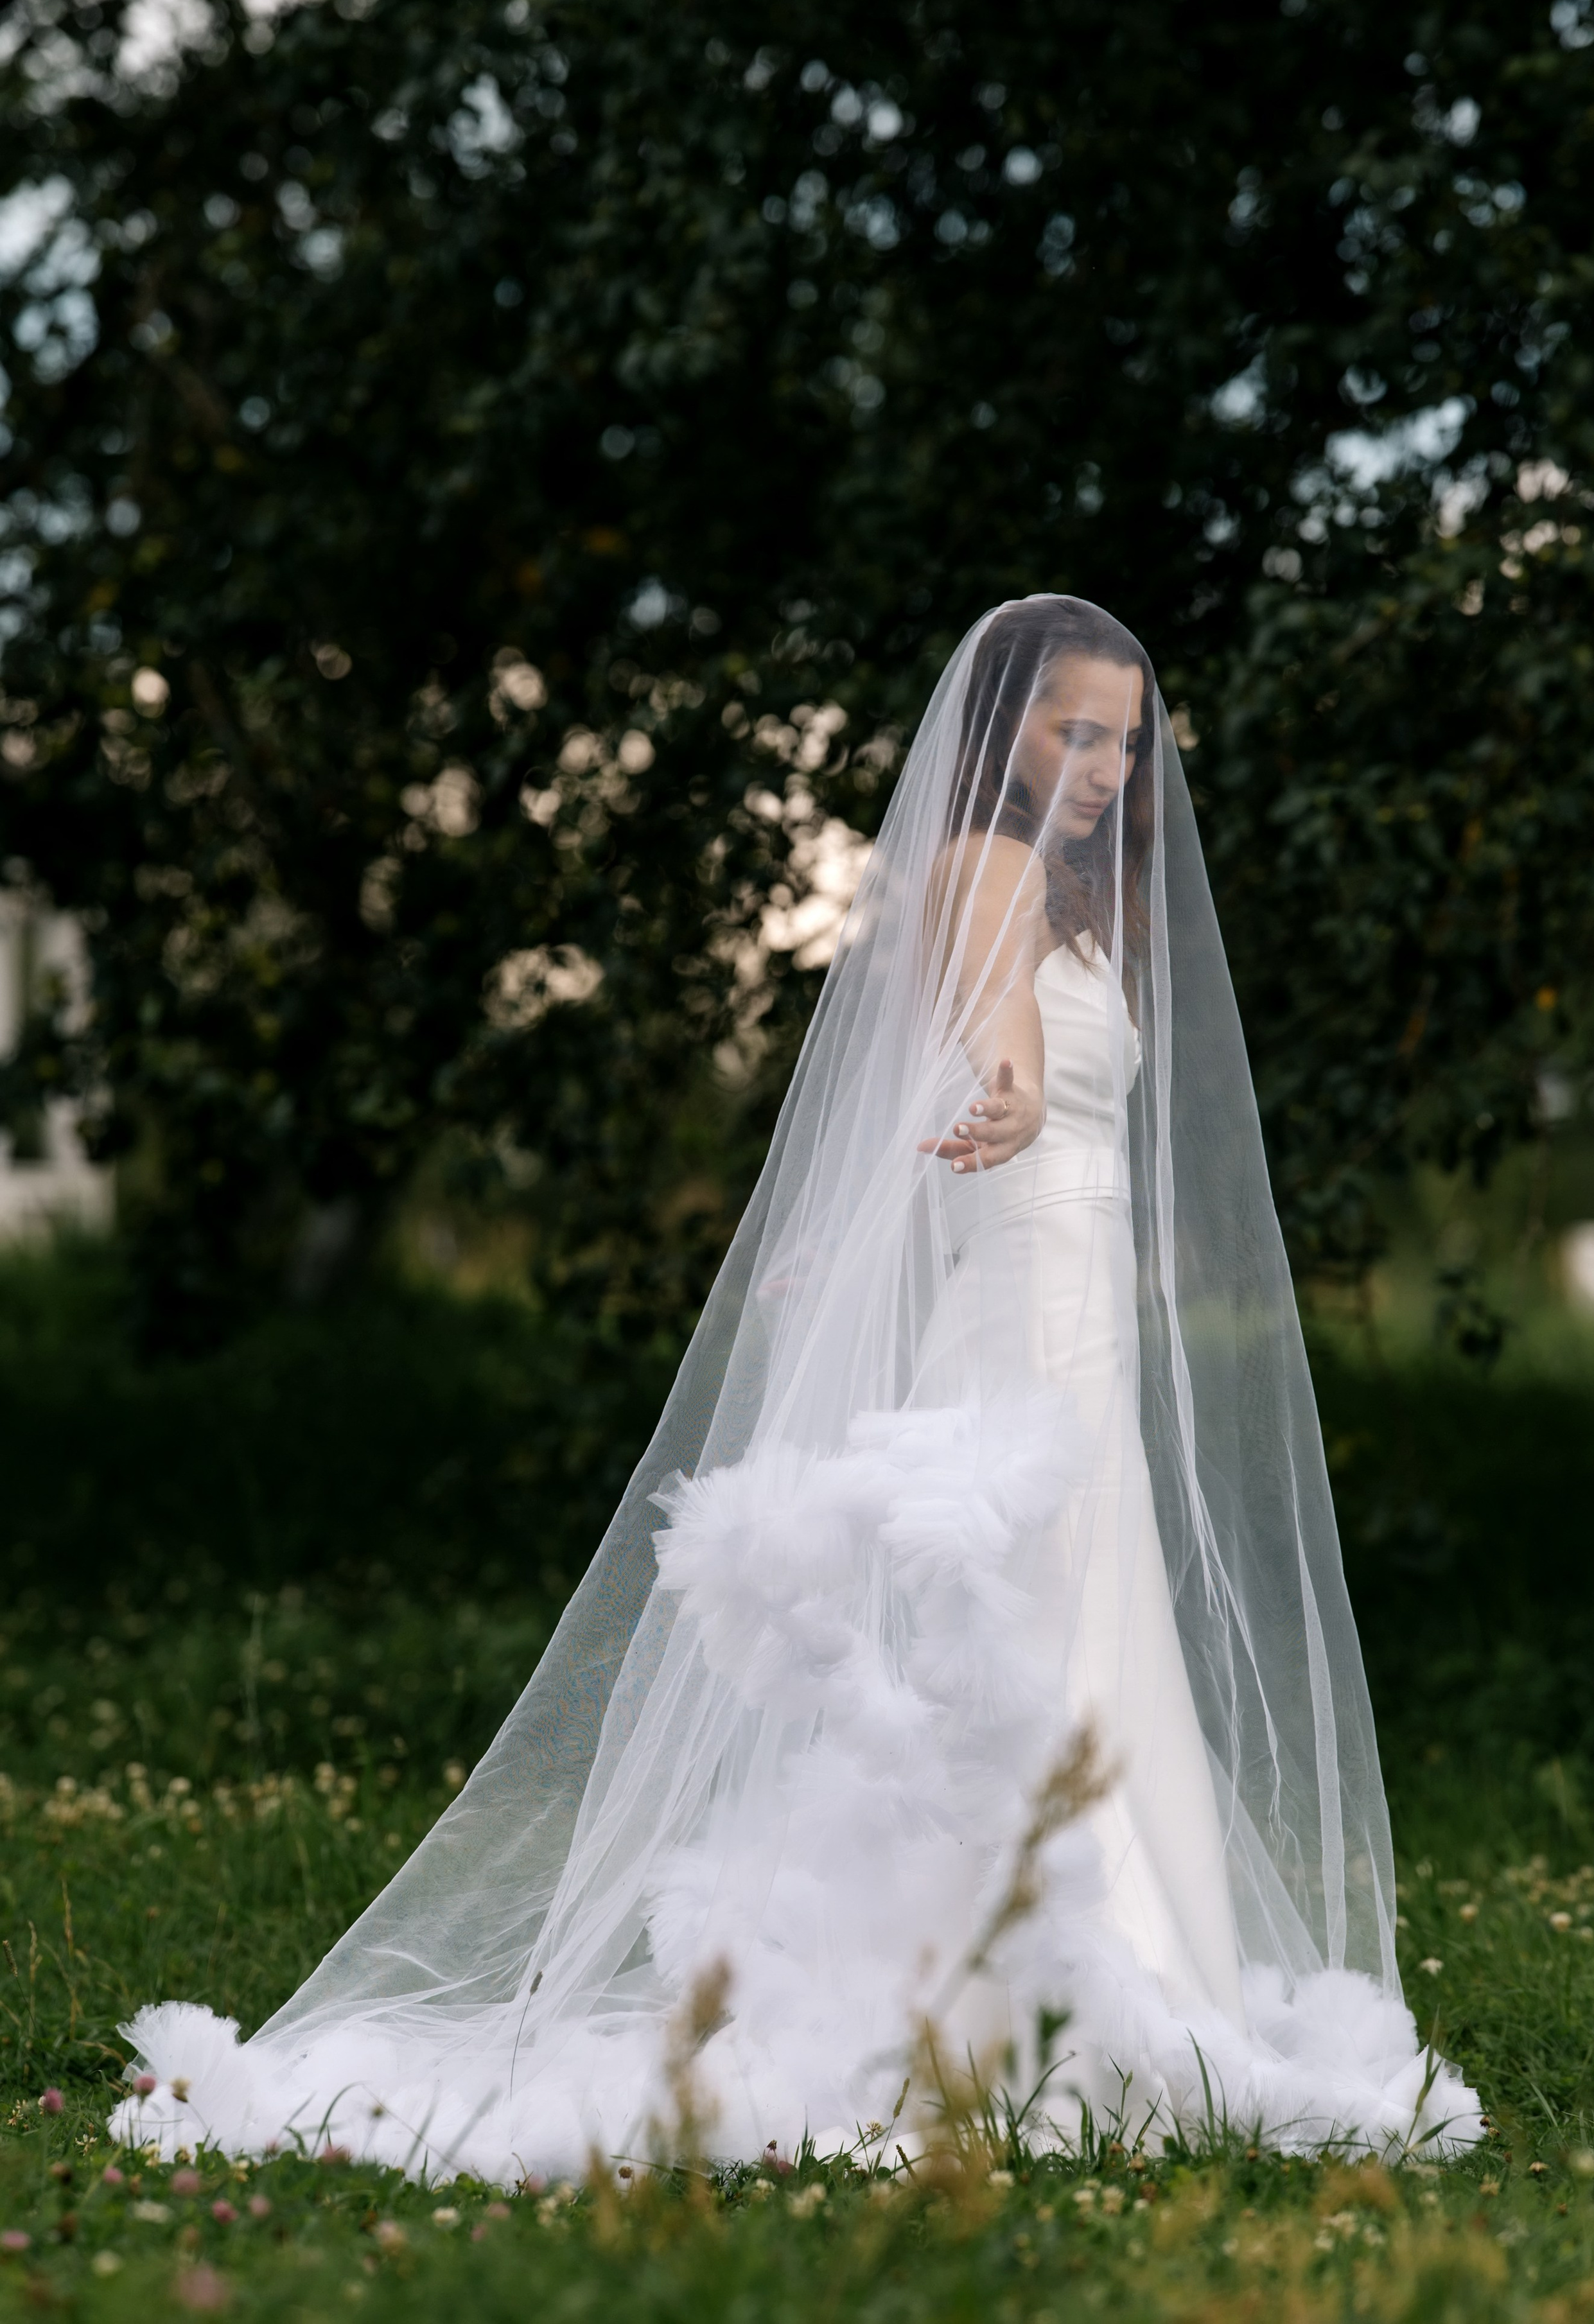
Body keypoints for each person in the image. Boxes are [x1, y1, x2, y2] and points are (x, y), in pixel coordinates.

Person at [115, 597, 1480, 2180]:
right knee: (1038, 1631)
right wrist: (1016, 1094)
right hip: (1031, 1319)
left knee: (1083, 1631)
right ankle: (1010, 2010)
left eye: (1121, 736)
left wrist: (877, 1207)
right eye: (1071, 732)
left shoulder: (1068, 896)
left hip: (1065, 1307)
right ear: (1002, 738)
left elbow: (950, 1080)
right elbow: (997, 1054)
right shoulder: (983, 869)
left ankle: (1090, 1988)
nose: (1103, 765)